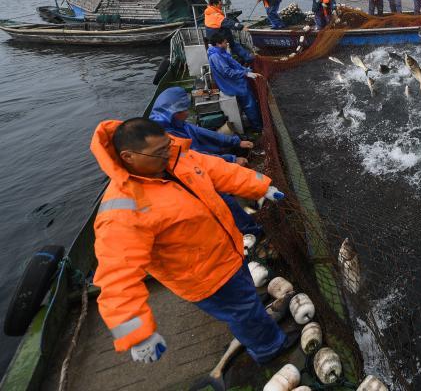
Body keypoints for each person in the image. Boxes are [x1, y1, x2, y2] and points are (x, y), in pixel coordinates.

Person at [90, 117, 290, 365]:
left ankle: (254, 321)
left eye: (167, 146)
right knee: (243, 312)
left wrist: (261, 187)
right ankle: (269, 349)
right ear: (129, 156)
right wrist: (137, 336)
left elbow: (219, 170)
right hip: (206, 277)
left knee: (246, 304)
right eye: (158, 152)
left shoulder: (175, 158)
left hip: (230, 253)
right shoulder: (121, 212)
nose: (167, 154)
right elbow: (117, 279)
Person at [148, 87, 262, 238]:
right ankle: (250, 231)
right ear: (174, 113)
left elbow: (204, 134)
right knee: (226, 202)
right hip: (188, 179)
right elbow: (196, 157)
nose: (188, 113)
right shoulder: (165, 137)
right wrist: (232, 160)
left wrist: (236, 142)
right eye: (184, 110)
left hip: (201, 164)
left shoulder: (178, 123)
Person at [207, 31, 263, 131]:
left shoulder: (221, 52)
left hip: (235, 81)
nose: (226, 44)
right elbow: (227, 72)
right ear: (218, 44)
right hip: (232, 85)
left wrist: (247, 70)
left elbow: (234, 65)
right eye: (224, 42)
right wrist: (245, 74)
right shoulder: (216, 56)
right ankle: (258, 127)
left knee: (251, 101)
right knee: (250, 104)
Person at [204, 0, 254, 64]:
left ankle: (244, 60)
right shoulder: (215, 15)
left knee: (234, 45)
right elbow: (229, 23)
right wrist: (241, 27)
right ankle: (249, 59)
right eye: (220, 4)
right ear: (215, 4)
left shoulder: (208, 12)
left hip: (214, 39)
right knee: (235, 45)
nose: (221, 5)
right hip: (220, 40)